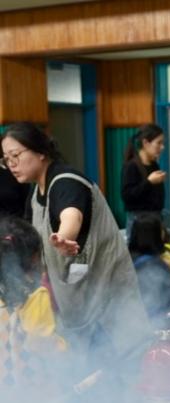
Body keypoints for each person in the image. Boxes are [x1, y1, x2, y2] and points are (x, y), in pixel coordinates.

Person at [1, 122, 149, 357]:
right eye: (6, 159)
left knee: (124, 368)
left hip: (108, 308)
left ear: (40, 151)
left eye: (16, 155)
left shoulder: (66, 181)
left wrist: (63, 236)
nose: (11, 165)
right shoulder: (35, 192)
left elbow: (71, 215)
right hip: (78, 304)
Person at [0, 215, 66, 394]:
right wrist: (64, 348)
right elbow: (40, 343)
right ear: (35, 258)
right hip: (31, 390)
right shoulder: (35, 296)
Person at [121, 123, 166, 236]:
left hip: (155, 219)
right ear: (146, 143)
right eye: (159, 143)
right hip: (139, 222)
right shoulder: (131, 166)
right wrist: (149, 182)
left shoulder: (154, 165)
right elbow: (127, 196)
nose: (162, 147)